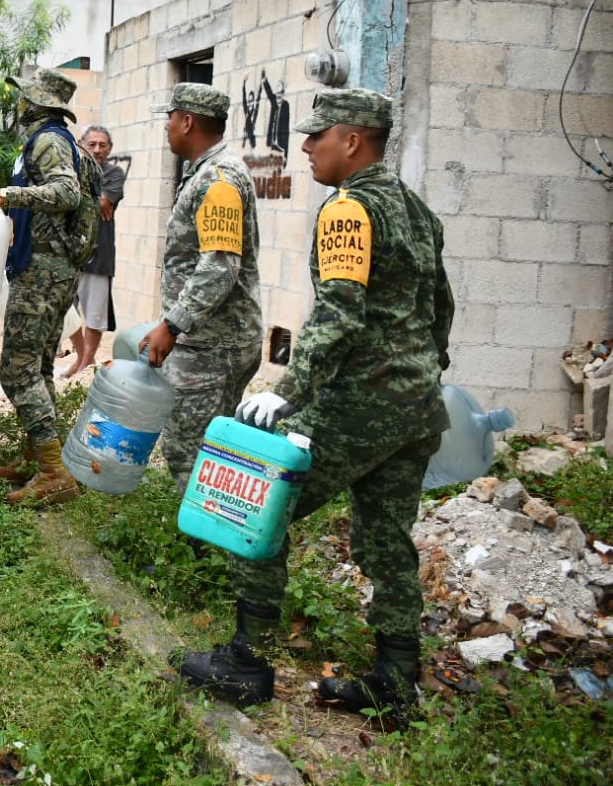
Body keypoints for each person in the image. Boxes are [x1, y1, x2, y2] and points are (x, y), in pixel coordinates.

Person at [175, 88, 453, 730]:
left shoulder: (348, 209)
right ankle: (395, 681)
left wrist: (289, 388)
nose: (304, 148)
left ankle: (247, 661)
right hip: (415, 407)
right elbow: (442, 308)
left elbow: (339, 311)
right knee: (388, 539)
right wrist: (424, 372)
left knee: (256, 504)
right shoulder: (416, 209)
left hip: (358, 403)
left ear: (352, 141)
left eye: (316, 137)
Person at [0, 69, 101, 507]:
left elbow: (66, 193)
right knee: (39, 368)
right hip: (52, 269)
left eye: (22, 99)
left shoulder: (49, 139)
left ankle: (53, 473)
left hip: (44, 273)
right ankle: (37, 459)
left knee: (17, 371)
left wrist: (3, 195)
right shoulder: (54, 139)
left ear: (35, 104)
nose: (18, 106)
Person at [139, 83, 264, 494]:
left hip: (215, 346)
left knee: (191, 453)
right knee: (202, 449)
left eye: (170, 118)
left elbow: (220, 264)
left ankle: (201, 549)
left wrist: (172, 325)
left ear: (187, 121)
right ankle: (206, 545)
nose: (167, 127)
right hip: (209, 341)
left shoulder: (219, 181)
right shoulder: (206, 172)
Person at [59, 125, 124, 378]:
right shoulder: (70, 172)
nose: (97, 149)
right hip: (70, 255)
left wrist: (79, 202)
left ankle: (85, 365)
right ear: (81, 143)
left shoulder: (113, 173)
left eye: (103, 145)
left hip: (99, 255)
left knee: (94, 315)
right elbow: (79, 203)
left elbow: (103, 202)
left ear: (109, 149)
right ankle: (82, 358)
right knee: (66, 310)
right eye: (92, 144)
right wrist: (90, 202)